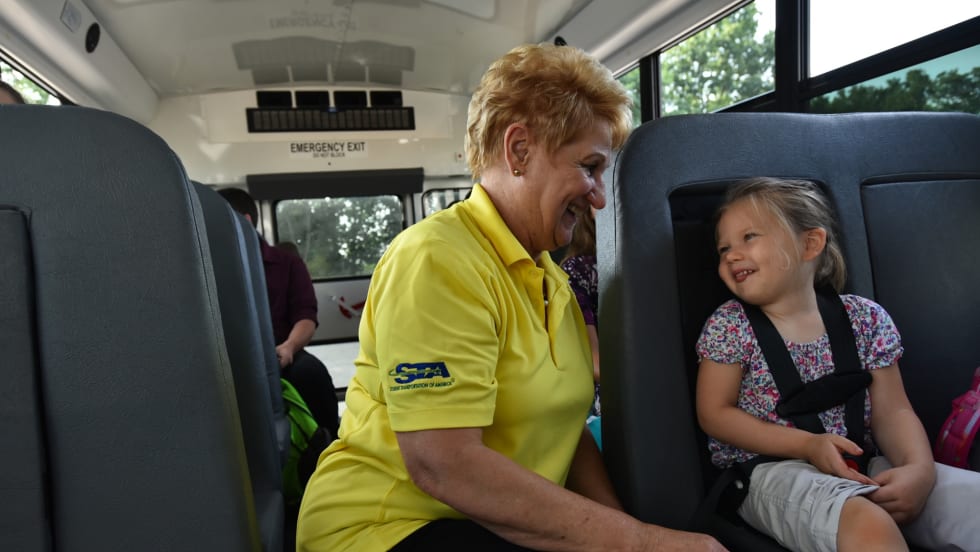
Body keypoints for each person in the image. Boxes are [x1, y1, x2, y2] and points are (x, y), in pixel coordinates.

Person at [296, 43, 725, 551]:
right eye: (588, 167)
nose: (600, 196)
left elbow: (566, 432)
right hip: (386, 528)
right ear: (519, 149)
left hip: (485, 522)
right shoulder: (437, 259)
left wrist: (622, 529)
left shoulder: (550, 280)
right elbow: (444, 465)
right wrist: (641, 543)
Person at [695, 177, 980, 551]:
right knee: (868, 524)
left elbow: (892, 411)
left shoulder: (865, 319)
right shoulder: (730, 326)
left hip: (862, 462)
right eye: (723, 248)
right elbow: (714, 413)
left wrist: (918, 471)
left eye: (749, 237)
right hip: (771, 473)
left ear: (810, 243)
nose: (731, 254)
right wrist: (808, 445)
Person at [217, 187, 340, 440]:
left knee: (311, 374)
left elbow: (305, 316)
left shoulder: (287, 264)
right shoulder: (208, 268)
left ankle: (329, 446)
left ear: (244, 221)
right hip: (229, 361)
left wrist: (289, 347)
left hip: (283, 353)